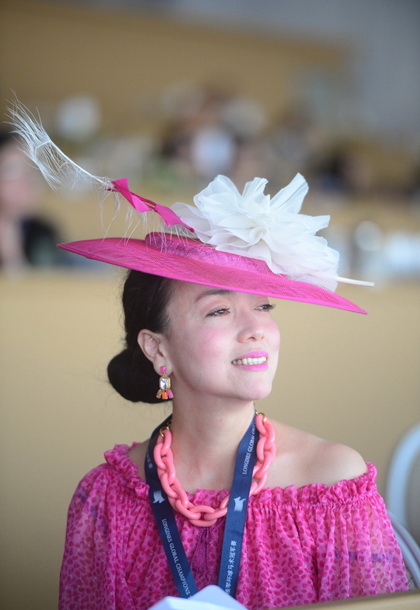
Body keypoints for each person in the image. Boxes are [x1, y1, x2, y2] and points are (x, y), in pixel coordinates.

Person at [10, 102, 408, 610]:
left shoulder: (333, 485)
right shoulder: (107, 501)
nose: (256, 330)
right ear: (158, 348)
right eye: (219, 311)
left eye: (263, 305)